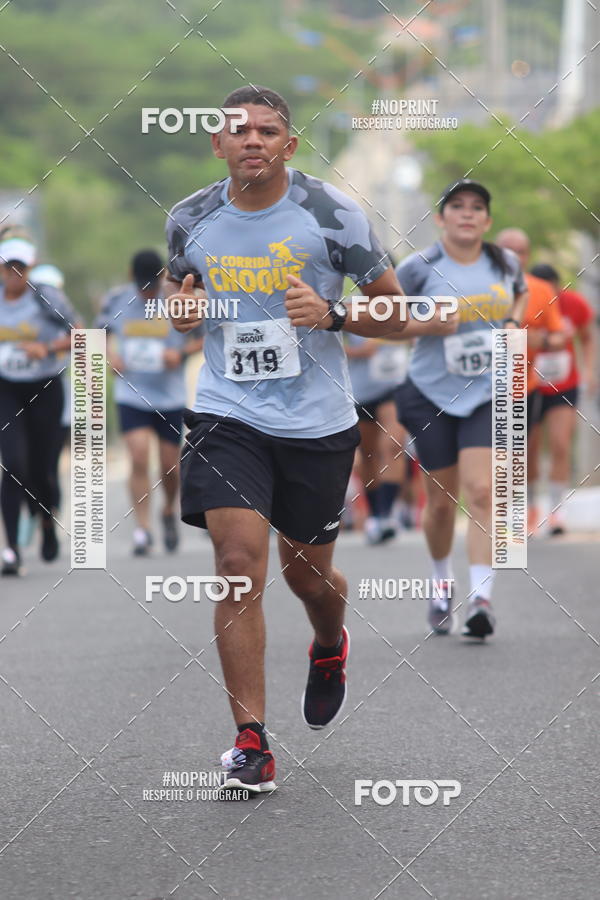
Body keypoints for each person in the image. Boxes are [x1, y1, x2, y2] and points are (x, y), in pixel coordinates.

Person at [164, 85, 449, 793]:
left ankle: (329, 643)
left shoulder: (333, 214)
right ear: (218, 145)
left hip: (318, 422)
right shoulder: (190, 218)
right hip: (227, 414)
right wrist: (180, 310)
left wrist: (333, 314)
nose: (252, 139)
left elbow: (400, 314)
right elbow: (178, 309)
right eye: (239, 130)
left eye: (267, 130)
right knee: (237, 560)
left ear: (289, 145)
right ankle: (251, 741)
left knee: (310, 578)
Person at [394, 180, 528, 638]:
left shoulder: (503, 261)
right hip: (430, 393)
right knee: (440, 504)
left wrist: (511, 320)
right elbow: (386, 316)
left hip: (486, 391)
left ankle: (482, 600)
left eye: (476, 208)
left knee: (484, 490)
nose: (467, 214)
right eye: (457, 207)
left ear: (487, 221)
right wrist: (425, 324)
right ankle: (440, 584)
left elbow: (521, 292)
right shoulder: (418, 267)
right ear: (441, 218)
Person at [96, 250, 202, 556]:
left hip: (169, 396)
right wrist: (109, 357)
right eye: (141, 286)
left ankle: (168, 509)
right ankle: (142, 529)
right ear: (131, 276)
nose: (146, 292)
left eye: (151, 286)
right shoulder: (116, 300)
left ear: (161, 277)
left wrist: (180, 354)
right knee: (139, 456)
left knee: (170, 466)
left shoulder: (177, 298)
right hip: (131, 393)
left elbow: (207, 336)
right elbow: (97, 333)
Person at [0, 236, 76, 575]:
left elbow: (81, 334)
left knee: (42, 469)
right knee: (14, 463)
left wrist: (46, 349)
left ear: (30, 268)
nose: (15, 273)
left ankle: (46, 521)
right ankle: (12, 548)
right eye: (8, 266)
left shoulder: (46, 297)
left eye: (21, 267)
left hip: (45, 388)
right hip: (6, 390)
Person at [495, 229, 567, 532]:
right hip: (480, 387)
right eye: (507, 250)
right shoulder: (475, 286)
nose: (514, 257)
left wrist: (543, 340)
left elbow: (559, 336)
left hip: (524, 386)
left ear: (528, 255)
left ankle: (521, 512)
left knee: (520, 450)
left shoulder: (540, 289)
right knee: (493, 452)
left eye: (520, 251)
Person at [528, 263, 597, 535]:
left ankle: (556, 512)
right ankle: (532, 509)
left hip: (564, 385)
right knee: (529, 450)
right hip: (530, 386)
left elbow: (588, 337)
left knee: (560, 444)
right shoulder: (524, 303)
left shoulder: (575, 304)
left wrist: (589, 371)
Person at [345, 333, 408, 543]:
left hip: (396, 386)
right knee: (368, 454)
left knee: (393, 446)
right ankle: (374, 514)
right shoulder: (342, 299)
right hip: (360, 390)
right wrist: (357, 351)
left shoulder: (406, 298)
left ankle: (386, 514)